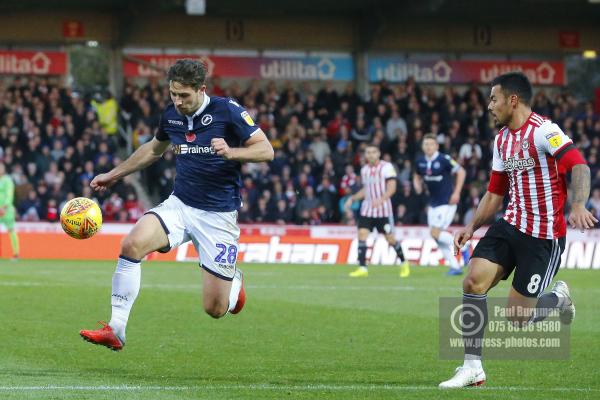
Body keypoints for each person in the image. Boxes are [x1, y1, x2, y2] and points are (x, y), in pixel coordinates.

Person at [80, 59, 274, 351]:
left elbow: (266, 149)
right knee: (131, 244)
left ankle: (233, 283)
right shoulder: (171, 115)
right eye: (173, 93)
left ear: (201, 89)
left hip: (217, 216)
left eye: (184, 95)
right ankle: (115, 328)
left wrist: (231, 153)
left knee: (215, 308)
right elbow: (153, 150)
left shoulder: (227, 110)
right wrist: (113, 175)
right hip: (180, 204)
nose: (178, 101)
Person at [439, 72, 598, 388]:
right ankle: (472, 368)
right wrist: (471, 226)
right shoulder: (501, 139)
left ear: (513, 100)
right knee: (473, 281)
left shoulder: (544, 131)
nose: (489, 106)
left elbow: (578, 165)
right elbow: (495, 191)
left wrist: (578, 204)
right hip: (510, 225)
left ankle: (558, 299)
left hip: (543, 236)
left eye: (494, 98)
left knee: (518, 317)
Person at [344, 144, 410, 278]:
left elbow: (392, 188)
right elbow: (366, 190)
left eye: (373, 152)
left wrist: (380, 200)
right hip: (367, 210)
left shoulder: (387, 167)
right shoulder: (364, 170)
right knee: (362, 235)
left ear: (378, 153)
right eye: (368, 152)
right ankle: (362, 268)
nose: (371, 155)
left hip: (383, 211)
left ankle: (404, 263)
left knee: (390, 239)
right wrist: (353, 198)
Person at [413, 133, 466, 275]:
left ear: (436, 146)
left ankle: (465, 248)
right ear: (423, 146)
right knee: (436, 237)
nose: (428, 147)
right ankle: (455, 267)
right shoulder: (420, 161)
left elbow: (461, 172)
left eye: (431, 144)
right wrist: (417, 184)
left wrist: (457, 193)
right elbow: (417, 174)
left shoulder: (444, 159)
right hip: (433, 203)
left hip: (447, 201)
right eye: (426, 144)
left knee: (435, 233)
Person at [0, 163, 20, 260]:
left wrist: (4, 207)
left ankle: (16, 254)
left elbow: (9, 195)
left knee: (11, 230)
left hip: (6, 210)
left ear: (4, 169)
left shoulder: (7, 180)